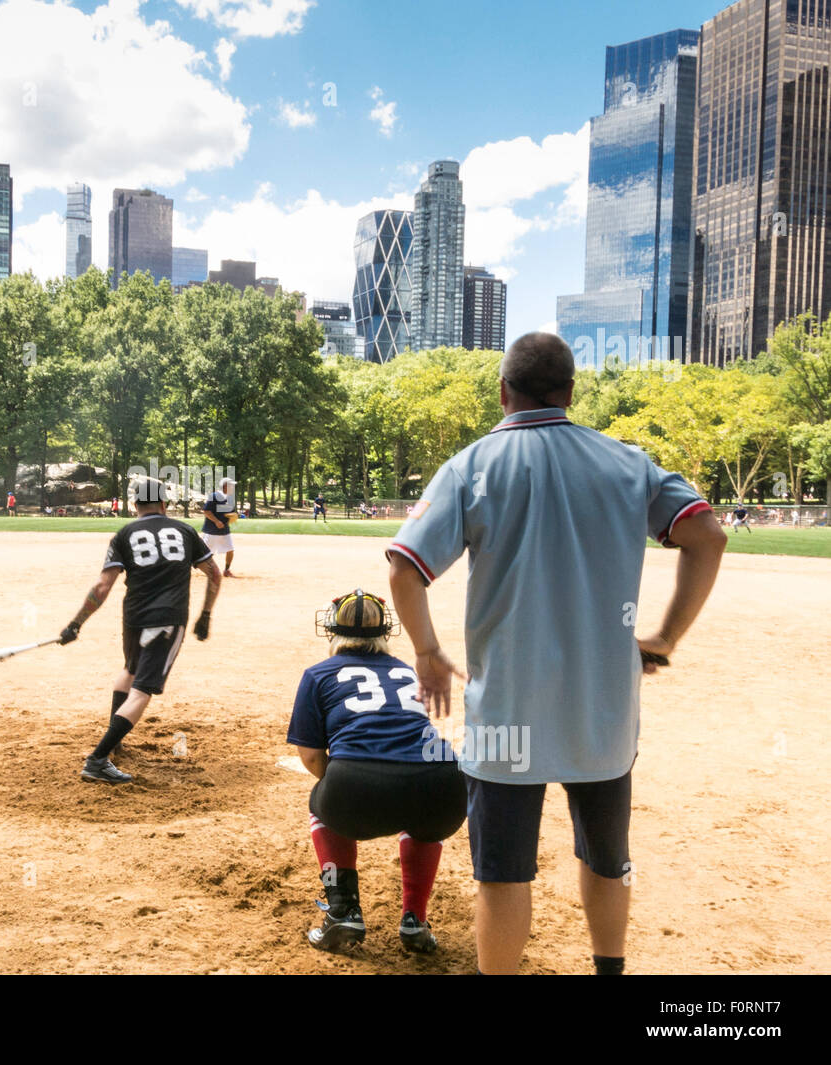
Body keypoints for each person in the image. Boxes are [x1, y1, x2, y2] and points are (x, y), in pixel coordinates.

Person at [386, 332, 726, 976]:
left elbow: (405, 568)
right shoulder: (628, 462)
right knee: (606, 857)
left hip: (506, 715)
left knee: (503, 873)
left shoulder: (473, 464)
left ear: (502, 391)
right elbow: (706, 534)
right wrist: (665, 638)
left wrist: (428, 652)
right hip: (602, 712)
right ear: (571, 392)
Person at [288, 590, 465, 954]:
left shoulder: (318, 674)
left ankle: (342, 911)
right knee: (422, 818)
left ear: (331, 630)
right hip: (445, 787)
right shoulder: (403, 670)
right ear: (387, 631)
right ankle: (415, 920)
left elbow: (310, 757)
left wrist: (346, 783)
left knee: (321, 802)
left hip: (358, 786)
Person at [58, 476, 222, 784]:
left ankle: (115, 738)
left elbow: (102, 586)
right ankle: (98, 759)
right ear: (163, 505)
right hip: (167, 619)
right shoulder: (185, 530)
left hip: (133, 617)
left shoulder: (125, 533)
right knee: (143, 690)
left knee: (129, 669)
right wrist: (205, 615)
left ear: (135, 506)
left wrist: (76, 624)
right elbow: (214, 573)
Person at [200, 476, 238, 577]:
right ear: (225, 486)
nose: (233, 488)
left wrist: (232, 517)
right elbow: (206, 511)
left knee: (230, 550)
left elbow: (229, 514)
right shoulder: (214, 496)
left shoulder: (230, 498)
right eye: (231, 486)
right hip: (212, 531)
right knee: (205, 553)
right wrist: (216, 521)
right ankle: (192, 567)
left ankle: (226, 570)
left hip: (225, 530)